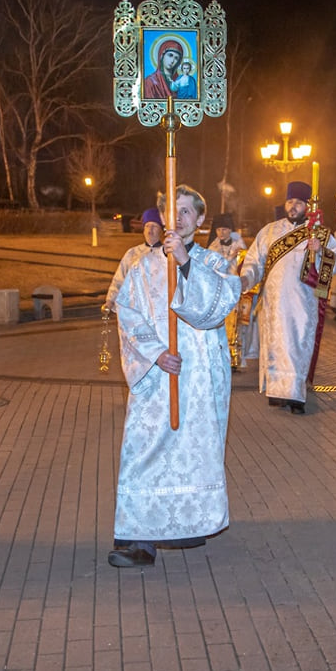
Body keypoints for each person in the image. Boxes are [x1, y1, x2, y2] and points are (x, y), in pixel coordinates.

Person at [107, 185, 240, 568]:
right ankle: (137, 541)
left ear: (200, 219)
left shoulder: (215, 264)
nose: (178, 218)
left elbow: (213, 310)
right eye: (172, 210)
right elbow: (128, 313)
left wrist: (184, 264)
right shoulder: (141, 267)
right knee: (143, 450)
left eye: (187, 211)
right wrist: (155, 353)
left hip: (198, 379)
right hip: (154, 376)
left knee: (193, 451)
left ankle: (190, 523)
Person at [240, 181, 336, 414]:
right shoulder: (269, 231)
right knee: (275, 346)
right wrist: (246, 279)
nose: (293, 206)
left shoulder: (319, 232)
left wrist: (321, 252)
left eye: (298, 202)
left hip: (302, 303)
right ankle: (277, 393)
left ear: (307, 205)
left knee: (296, 347)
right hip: (274, 303)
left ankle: (296, 395)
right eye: (290, 201)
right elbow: (254, 262)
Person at [207, 212, 249, 368]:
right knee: (220, 324)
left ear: (230, 229)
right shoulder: (213, 246)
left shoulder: (239, 244)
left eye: (224, 229)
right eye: (218, 230)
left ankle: (236, 359)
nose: (221, 233)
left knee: (236, 325)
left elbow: (245, 265)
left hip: (235, 290)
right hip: (219, 293)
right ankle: (220, 358)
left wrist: (238, 256)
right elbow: (212, 267)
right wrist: (230, 256)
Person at [104, 207, 164, 311]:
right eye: (147, 226)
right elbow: (119, 279)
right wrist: (110, 300)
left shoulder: (168, 254)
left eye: (154, 226)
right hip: (135, 310)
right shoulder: (132, 254)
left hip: (160, 310)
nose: (150, 230)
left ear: (161, 230)